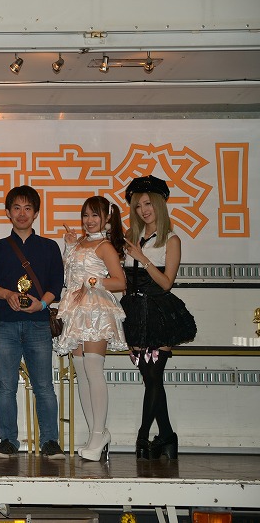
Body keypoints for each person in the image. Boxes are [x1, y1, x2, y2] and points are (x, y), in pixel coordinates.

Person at [0, 185, 65, 459]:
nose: (22, 213)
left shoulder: (49, 247)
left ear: (36, 213)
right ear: (8, 212)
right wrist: (7, 295)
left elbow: (56, 284)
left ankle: (50, 442)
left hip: (38, 324)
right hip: (5, 324)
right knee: (5, 387)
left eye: (28, 208)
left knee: (44, 386)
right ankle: (8, 440)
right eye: (16, 208)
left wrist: (41, 304)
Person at [121, 175, 196, 461]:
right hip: (135, 313)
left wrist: (142, 257)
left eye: (148, 204)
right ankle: (167, 436)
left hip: (159, 313)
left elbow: (166, 283)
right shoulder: (131, 236)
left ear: (160, 205)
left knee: (154, 377)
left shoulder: (171, 239)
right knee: (150, 379)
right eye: (138, 206)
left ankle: (142, 437)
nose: (143, 210)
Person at [54, 196, 127, 461]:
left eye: (95, 215)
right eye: (85, 215)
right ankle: (95, 434)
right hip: (75, 310)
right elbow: (67, 278)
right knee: (82, 374)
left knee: (94, 370)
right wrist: (69, 247)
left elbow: (120, 281)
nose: (89, 220)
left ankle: (99, 434)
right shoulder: (77, 243)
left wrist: (93, 282)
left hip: (96, 309)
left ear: (106, 218)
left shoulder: (105, 246)